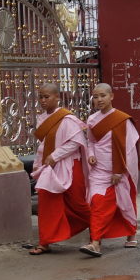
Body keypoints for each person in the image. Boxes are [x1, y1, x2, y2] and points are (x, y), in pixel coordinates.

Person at [28, 83, 90, 255]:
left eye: (46, 97)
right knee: (46, 201)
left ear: (57, 97)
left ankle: (97, 229)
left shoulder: (67, 118)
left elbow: (76, 142)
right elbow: (43, 145)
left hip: (69, 163)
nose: (42, 100)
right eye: (40, 96)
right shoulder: (42, 118)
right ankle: (45, 242)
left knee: (77, 203)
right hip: (49, 166)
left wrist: (55, 156)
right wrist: (40, 163)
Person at [80, 83, 139, 257]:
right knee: (97, 203)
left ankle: (131, 234)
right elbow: (90, 141)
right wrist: (90, 153)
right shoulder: (92, 119)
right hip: (98, 169)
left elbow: (128, 148)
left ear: (111, 96)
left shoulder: (122, 119)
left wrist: (119, 171)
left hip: (118, 169)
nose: (99, 100)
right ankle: (95, 243)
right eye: (95, 96)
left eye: (102, 96)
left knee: (125, 202)